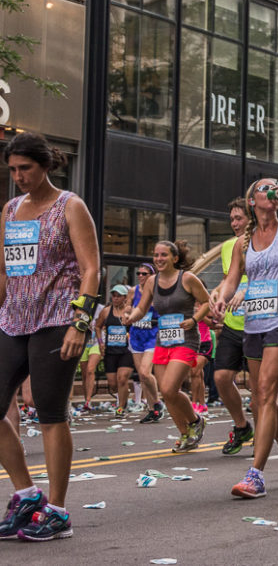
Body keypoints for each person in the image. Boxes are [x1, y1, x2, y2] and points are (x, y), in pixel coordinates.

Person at [0, 133, 100, 540]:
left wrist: (80, 323)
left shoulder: (70, 206)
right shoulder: (9, 210)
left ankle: (58, 512)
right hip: (13, 320)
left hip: (57, 319)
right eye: (12, 170)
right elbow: (5, 273)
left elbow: (91, 270)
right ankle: (26, 494)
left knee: (49, 412)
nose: (18, 177)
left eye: (25, 168)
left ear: (45, 166)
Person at [213, 178, 278, 499]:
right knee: (260, 401)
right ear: (252, 201)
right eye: (264, 188)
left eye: (275, 187)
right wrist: (219, 298)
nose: (271, 190)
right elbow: (232, 279)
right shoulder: (245, 242)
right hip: (254, 323)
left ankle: (255, 475)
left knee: (266, 393)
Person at [124, 240, 211, 452]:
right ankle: (185, 434)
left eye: (163, 255)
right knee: (168, 394)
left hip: (186, 339)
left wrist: (194, 319)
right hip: (163, 340)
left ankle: (195, 421)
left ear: (175, 258)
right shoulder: (152, 282)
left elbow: (206, 302)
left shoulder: (188, 279)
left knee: (168, 387)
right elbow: (142, 308)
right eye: (156, 255)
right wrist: (130, 318)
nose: (159, 259)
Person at [210, 197, 255, 455]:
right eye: (232, 220)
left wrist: (245, 291)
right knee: (221, 377)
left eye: (239, 218)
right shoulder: (230, 246)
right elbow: (229, 279)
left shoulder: (266, 242)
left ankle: (265, 432)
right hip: (233, 323)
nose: (235, 224)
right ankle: (241, 426)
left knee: (259, 387)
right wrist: (217, 296)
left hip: (260, 323)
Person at [128, 263, 163, 423]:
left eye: (144, 274)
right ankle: (152, 410)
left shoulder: (158, 291)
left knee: (144, 372)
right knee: (142, 377)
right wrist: (127, 313)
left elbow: (165, 309)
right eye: (139, 273)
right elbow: (127, 307)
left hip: (152, 333)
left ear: (151, 276)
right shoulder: (133, 290)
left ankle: (157, 403)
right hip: (136, 334)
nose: (141, 276)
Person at [94, 285, 134, 417]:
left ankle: (121, 407)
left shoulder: (130, 311)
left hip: (126, 351)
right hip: (110, 351)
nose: (115, 298)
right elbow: (98, 326)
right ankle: (124, 395)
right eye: (114, 295)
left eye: (119, 296)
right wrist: (100, 343)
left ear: (125, 298)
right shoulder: (106, 311)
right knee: (112, 383)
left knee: (122, 378)